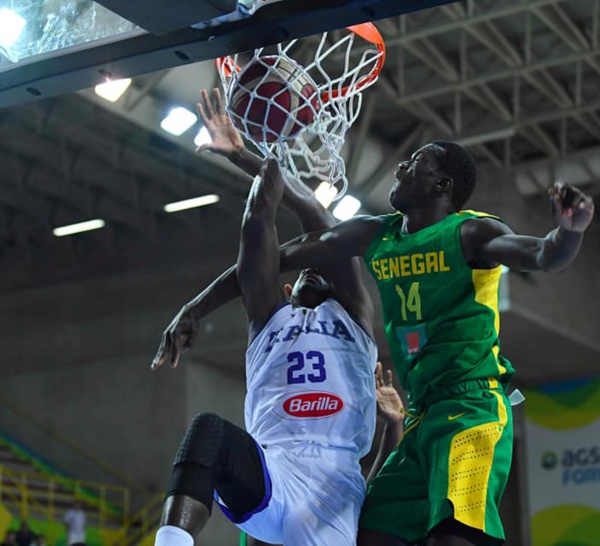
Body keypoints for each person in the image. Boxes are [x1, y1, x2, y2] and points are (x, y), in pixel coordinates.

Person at [155, 128, 594, 544]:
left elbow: (542, 254)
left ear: (441, 185)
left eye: (415, 162)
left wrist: (568, 232)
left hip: (469, 407)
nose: (401, 166)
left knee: (452, 535)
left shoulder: (469, 232)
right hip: (407, 419)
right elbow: (273, 256)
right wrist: (195, 306)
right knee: (374, 532)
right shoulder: (372, 237)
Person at [152, 89, 391, 546]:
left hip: (336, 486)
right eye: (306, 273)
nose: (317, 271)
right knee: (209, 431)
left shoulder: (356, 316)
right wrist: (255, 161)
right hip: (273, 476)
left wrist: (262, 149)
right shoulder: (267, 319)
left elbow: (320, 221)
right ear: (287, 289)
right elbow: (257, 220)